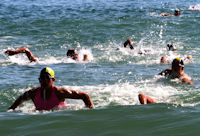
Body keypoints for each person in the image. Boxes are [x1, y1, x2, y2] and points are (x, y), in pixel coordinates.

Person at [8, 67, 94, 111]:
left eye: (47, 77)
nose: (44, 80)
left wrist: (90, 111)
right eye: (42, 78)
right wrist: (11, 110)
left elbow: (84, 96)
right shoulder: (33, 93)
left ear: (53, 80)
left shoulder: (60, 92)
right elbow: (21, 98)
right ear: (39, 79)